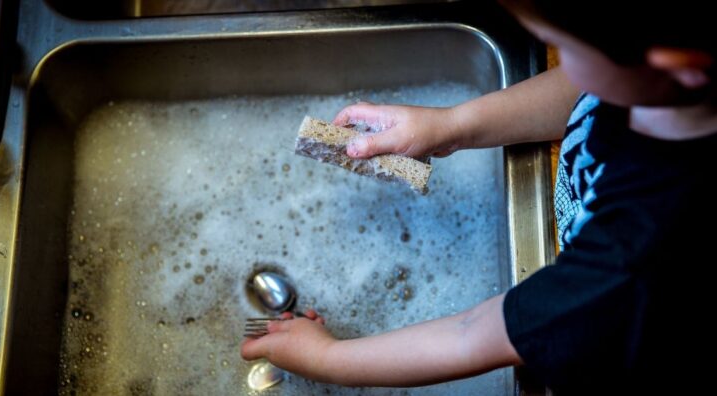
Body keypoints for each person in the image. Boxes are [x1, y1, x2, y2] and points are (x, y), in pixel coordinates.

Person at [241, 1, 717, 393]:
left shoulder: (637, 258)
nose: (562, 64)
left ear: (679, 65)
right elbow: (585, 92)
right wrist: (451, 126)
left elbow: (474, 336)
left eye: (566, 49)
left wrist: (326, 357)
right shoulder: (664, 87)